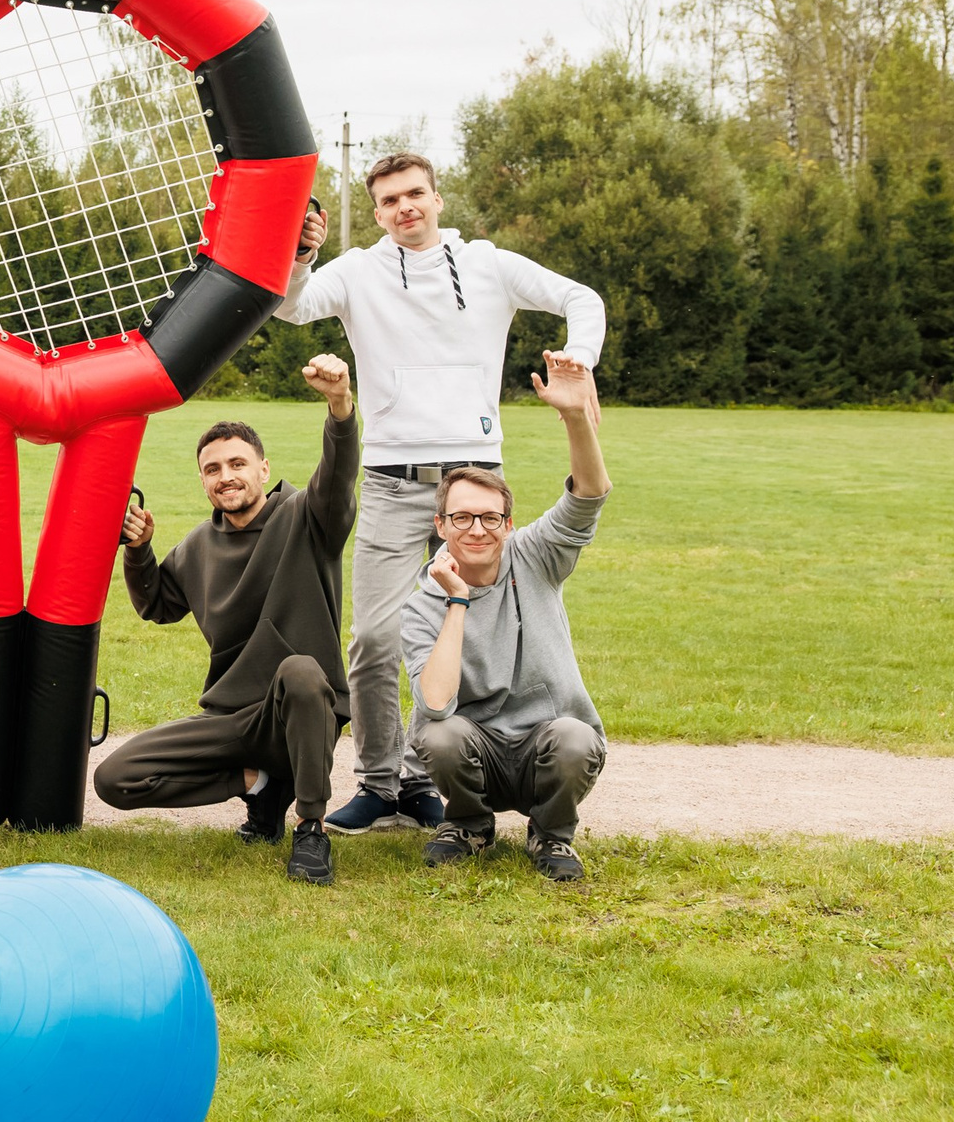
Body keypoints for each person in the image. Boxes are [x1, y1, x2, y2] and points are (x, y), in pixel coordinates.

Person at [277, 152, 606, 838]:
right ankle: (377, 783)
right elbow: (292, 307)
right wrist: (300, 254)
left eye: (415, 194)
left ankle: (429, 779)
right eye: (390, 199)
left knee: (465, 634)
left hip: (473, 487)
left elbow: (583, 297)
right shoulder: (361, 270)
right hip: (394, 482)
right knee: (374, 637)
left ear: (437, 198)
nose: (405, 208)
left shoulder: (488, 264)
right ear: (375, 212)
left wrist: (580, 353)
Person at [92, 356, 360, 884]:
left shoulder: (309, 517)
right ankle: (260, 786)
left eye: (237, 464)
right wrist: (140, 551)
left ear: (263, 469)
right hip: (233, 719)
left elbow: (338, 473)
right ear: (202, 480)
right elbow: (159, 605)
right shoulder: (198, 545)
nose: (226, 477)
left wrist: (339, 406)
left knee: (303, 671)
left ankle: (311, 829)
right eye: (213, 469)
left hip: (299, 713)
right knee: (115, 778)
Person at [404, 351, 612, 882]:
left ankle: (552, 832)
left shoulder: (535, 554)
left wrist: (573, 416)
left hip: (547, 744)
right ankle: (469, 824)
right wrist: (456, 602)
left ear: (508, 521)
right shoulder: (424, 602)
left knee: (574, 738)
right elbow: (436, 704)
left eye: (490, 517)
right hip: (478, 754)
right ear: (441, 524)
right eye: (462, 517)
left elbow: (588, 496)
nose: (477, 529)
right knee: (439, 736)